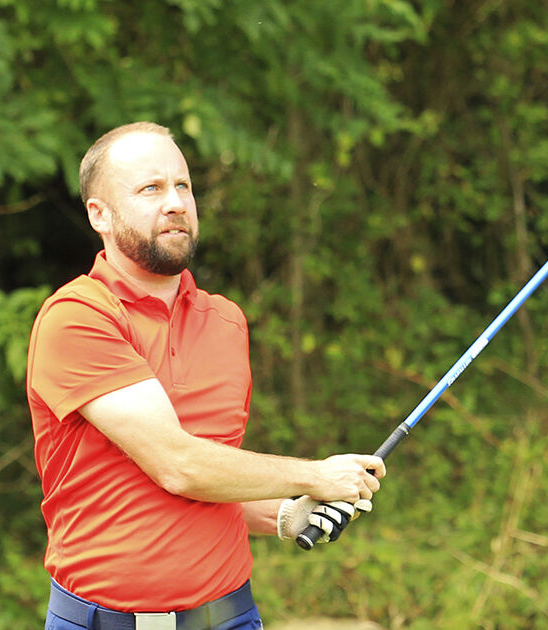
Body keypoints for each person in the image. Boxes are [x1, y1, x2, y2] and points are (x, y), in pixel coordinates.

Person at [27, 121, 386, 630]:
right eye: (150, 188)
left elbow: (205, 482)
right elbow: (179, 465)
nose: (174, 202)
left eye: (183, 186)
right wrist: (316, 475)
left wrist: (285, 514)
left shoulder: (226, 322)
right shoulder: (78, 316)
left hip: (229, 617)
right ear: (98, 215)